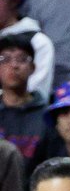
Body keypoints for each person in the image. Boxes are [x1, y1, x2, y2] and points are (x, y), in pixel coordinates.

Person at [0, 35, 48, 167]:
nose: (14, 65)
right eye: (5, 59)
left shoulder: (47, 117)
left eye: (21, 59)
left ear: (32, 67)